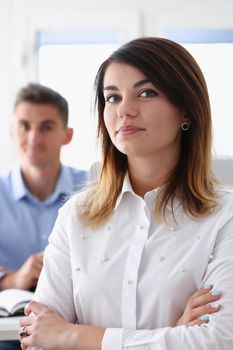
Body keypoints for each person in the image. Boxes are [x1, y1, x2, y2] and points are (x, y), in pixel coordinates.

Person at [19, 37, 233, 350]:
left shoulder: (225, 215)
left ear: (187, 110)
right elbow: (37, 339)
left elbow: (218, 340)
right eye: (113, 97)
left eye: (146, 93)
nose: (125, 111)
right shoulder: (75, 216)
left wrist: (70, 335)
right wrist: (170, 336)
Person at [0, 83, 87, 350]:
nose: (34, 138)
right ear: (13, 131)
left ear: (67, 135)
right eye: (25, 126)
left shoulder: (94, 191)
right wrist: (14, 279)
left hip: (75, 324)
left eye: (46, 127)